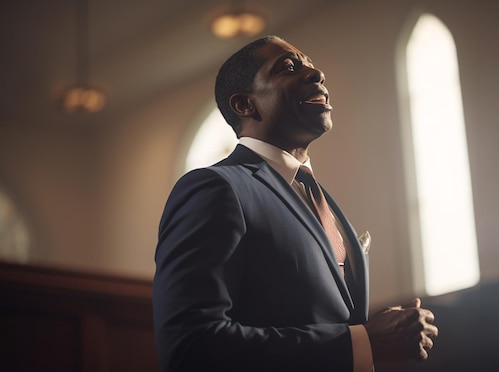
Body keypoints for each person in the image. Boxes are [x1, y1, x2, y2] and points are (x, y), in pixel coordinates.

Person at [152, 35, 438, 372]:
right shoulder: (217, 187)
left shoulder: (316, 196)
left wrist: (367, 332)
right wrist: (362, 342)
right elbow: (190, 345)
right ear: (245, 105)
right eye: (289, 67)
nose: (317, 74)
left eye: (312, 64)